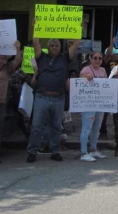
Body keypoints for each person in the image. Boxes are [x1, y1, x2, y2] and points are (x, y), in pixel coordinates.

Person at [26, 35, 80, 163]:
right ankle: (32, 152)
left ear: (60, 48)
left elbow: (75, 45)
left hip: (58, 98)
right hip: (42, 97)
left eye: (57, 46)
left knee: (56, 126)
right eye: (52, 45)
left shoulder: (64, 58)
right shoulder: (41, 57)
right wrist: (36, 29)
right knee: (36, 126)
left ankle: (54, 151)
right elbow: (35, 44)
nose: (54, 47)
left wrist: (79, 31)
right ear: (48, 47)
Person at [78, 52, 108, 162]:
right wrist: (85, 77)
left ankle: (93, 149)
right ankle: (83, 152)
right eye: (95, 58)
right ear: (90, 58)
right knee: (86, 128)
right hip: (88, 104)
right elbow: (79, 82)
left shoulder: (103, 70)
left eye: (100, 58)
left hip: (99, 103)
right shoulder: (86, 69)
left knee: (96, 128)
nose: (97, 60)